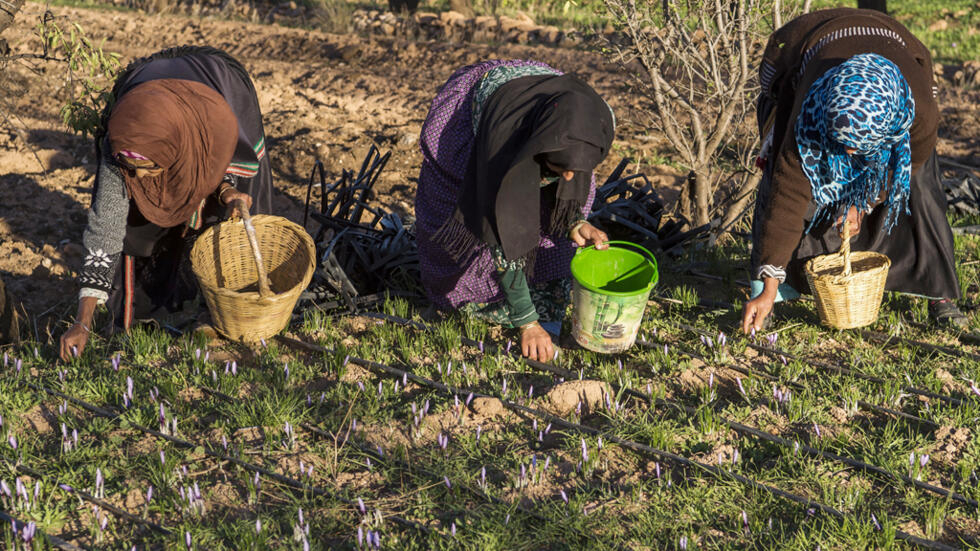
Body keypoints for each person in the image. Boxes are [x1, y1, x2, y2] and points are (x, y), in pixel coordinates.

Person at [743, 8, 967, 333]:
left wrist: (864, 200)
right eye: (843, 144)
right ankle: (776, 289)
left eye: (857, 147)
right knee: (780, 167)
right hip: (798, 55)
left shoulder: (919, 112)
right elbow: (787, 197)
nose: (849, 153)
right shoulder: (810, 111)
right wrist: (768, 287)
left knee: (922, 188)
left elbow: (903, 170)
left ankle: (938, 292)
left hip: (899, 47)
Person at [59, 46, 273, 360]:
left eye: (150, 169)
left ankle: (210, 312)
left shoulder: (213, 127)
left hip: (214, 92)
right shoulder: (122, 143)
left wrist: (226, 189)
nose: (141, 179)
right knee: (135, 222)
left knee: (217, 222)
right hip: (152, 104)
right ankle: (145, 313)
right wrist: (83, 321)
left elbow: (216, 164)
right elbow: (105, 228)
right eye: (132, 171)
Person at [415, 60, 615, 361]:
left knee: (561, 221)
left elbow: (568, 178)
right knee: (475, 220)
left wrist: (575, 222)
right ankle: (483, 305)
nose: (570, 177)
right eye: (561, 168)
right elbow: (503, 231)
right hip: (486, 120)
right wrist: (527, 322)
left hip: (545, 112)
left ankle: (542, 301)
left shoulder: (588, 126)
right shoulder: (502, 146)